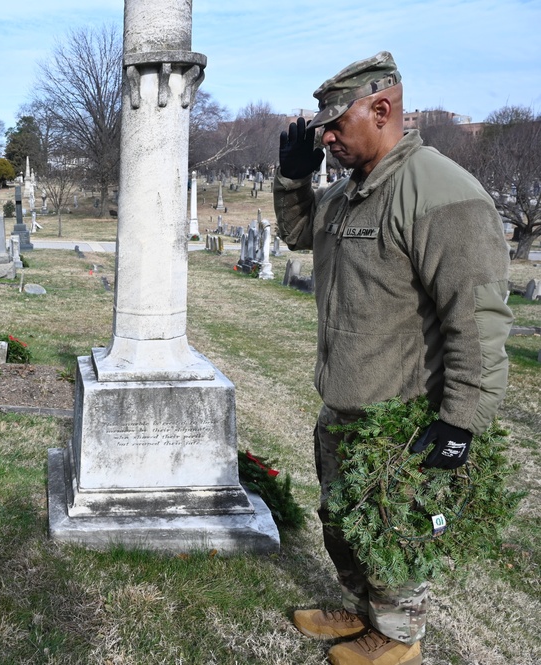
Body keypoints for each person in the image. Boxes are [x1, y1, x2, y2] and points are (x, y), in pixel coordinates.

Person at [273, 51, 513, 665]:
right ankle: (365, 612)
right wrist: (293, 180)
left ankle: (398, 638)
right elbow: (300, 234)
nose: (325, 138)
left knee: (394, 530)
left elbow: (477, 320)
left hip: (403, 416)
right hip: (346, 401)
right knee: (344, 521)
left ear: (381, 110)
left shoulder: (441, 194)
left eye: (335, 124)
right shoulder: (349, 193)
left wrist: (461, 422)